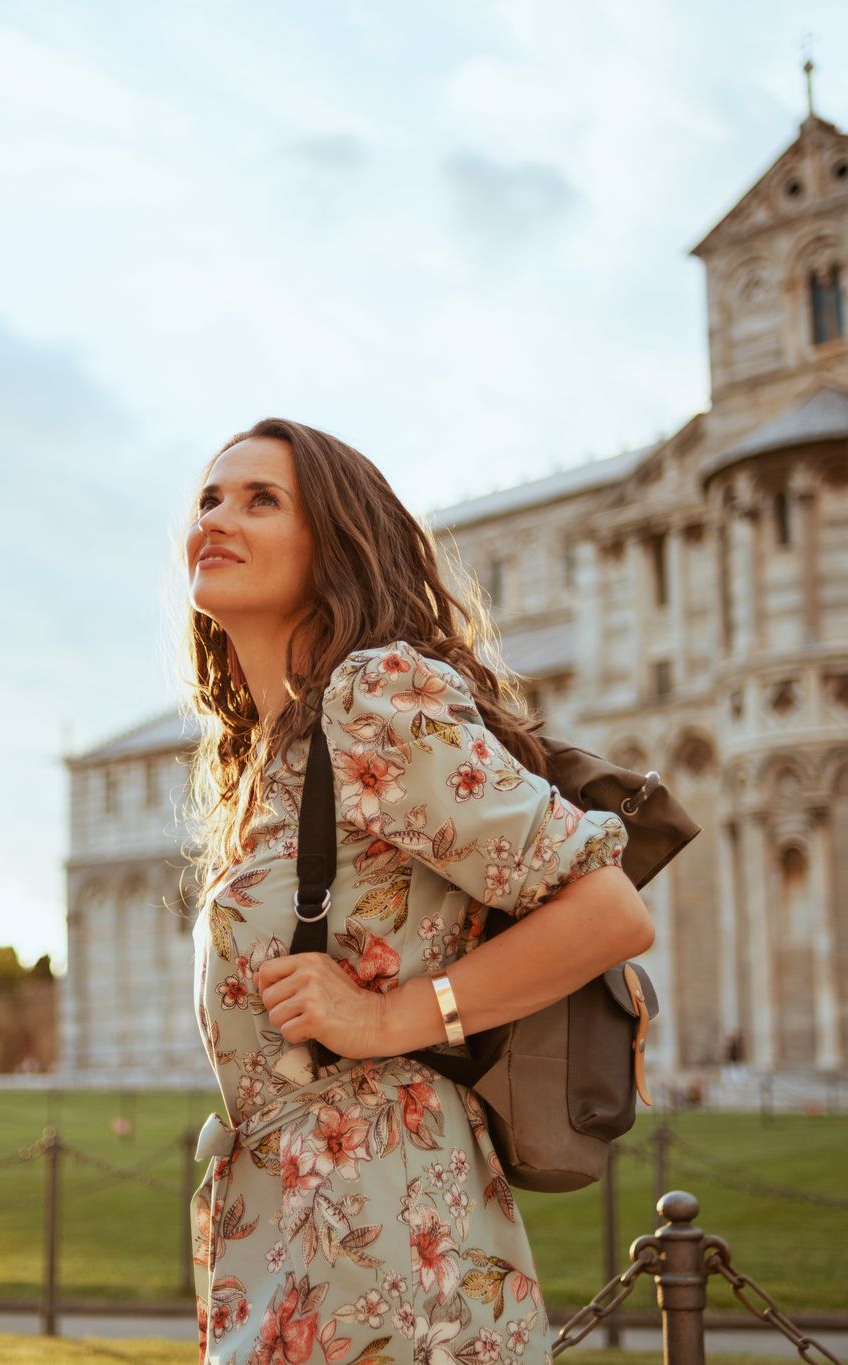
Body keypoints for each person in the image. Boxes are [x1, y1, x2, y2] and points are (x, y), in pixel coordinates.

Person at [179, 418, 656, 1363]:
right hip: (288, 1239)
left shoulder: (372, 698)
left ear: (335, 545)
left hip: (390, 1248)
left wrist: (392, 1017)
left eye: (261, 498)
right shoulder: (272, 762)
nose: (217, 517)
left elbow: (610, 909)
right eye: (208, 498)